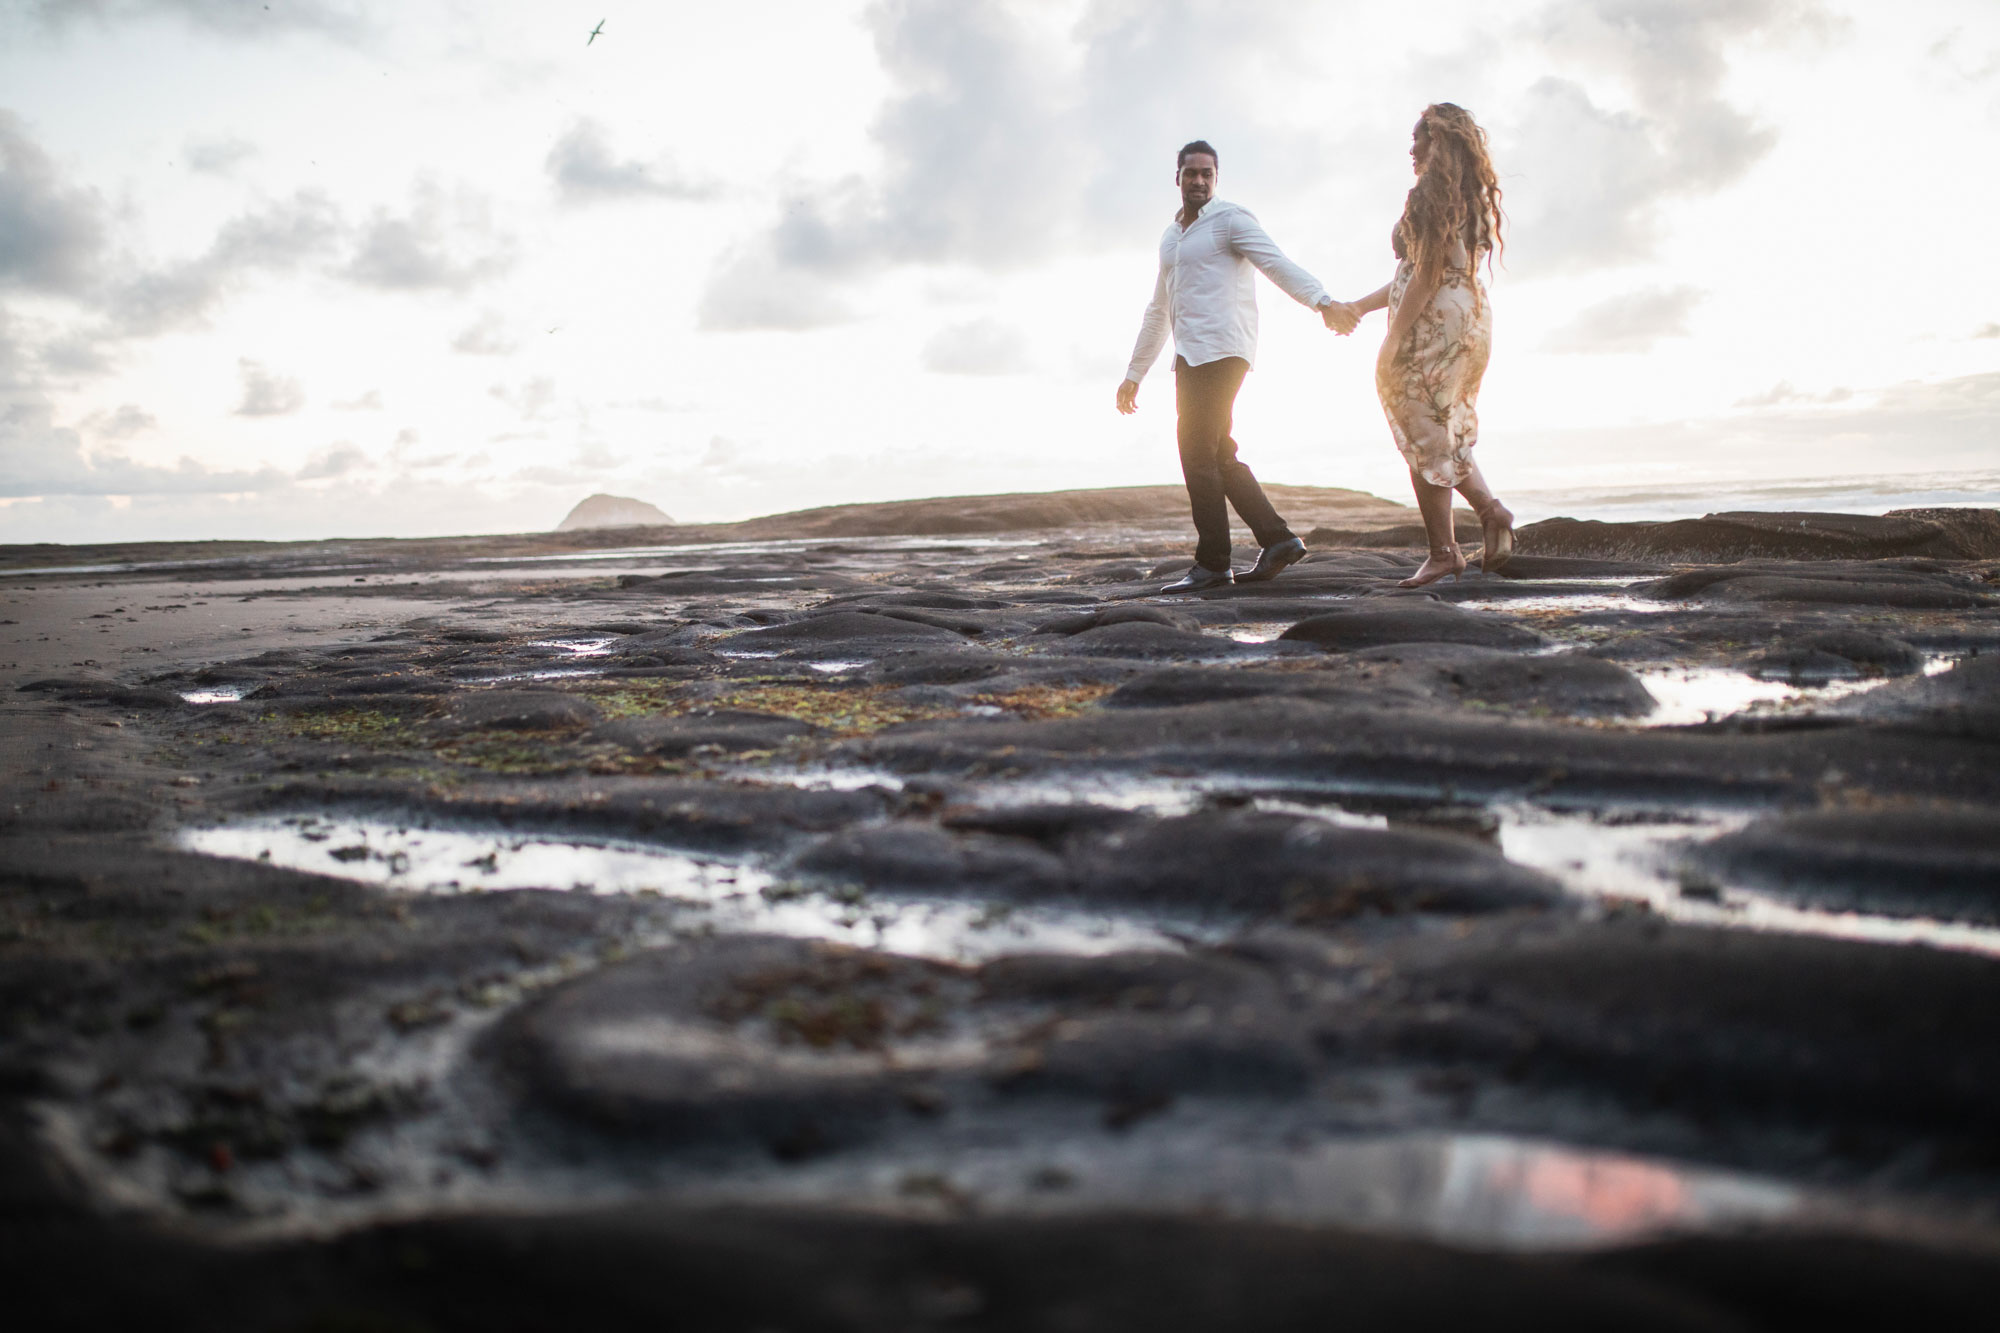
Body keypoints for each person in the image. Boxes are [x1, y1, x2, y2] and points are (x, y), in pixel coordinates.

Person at [1118, 139, 1357, 594]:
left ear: (1216, 178)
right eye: (1191, 173)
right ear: (1178, 178)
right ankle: (1279, 540)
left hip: (1225, 351)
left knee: (1195, 453)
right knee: (1217, 454)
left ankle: (1212, 564)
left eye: (1208, 173)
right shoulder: (1171, 238)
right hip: (1188, 356)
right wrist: (1134, 373)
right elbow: (1158, 309)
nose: (1199, 181)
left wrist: (1322, 302)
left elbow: (1275, 263)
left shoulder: (1230, 221)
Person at [1331, 103, 1513, 587]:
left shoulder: (1429, 194)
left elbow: (1425, 273)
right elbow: (1411, 273)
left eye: (1421, 139)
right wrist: (1359, 308)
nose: (1412, 149)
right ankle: (1491, 513)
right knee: (1439, 426)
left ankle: (1444, 552)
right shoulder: (1467, 197)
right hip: (1470, 317)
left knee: (1421, 433)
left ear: (1442, 143)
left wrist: (1392, 339)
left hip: (1433, 319)